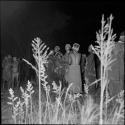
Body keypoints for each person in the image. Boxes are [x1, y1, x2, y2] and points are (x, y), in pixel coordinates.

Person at [107, 31, 124, 97]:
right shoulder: (121, 46)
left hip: (111, 71)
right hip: (119, 72)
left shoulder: (112, 44)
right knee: (119, 90)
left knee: (112, 89)